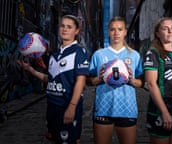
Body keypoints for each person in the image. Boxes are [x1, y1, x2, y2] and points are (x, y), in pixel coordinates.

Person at [17, 14, 89, 144]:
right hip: (52, 107)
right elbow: (49, 79)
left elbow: (81, 81)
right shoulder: (54, 55)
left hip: (67, 106)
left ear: (76, 31)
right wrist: (30, 70)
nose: (65, 29)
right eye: (62, 26)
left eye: (69, 27)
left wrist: (72, 108)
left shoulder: (79, 52)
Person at [89, 16, 143, 144]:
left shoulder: (134, 55)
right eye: (112, 29)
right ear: (108, 31)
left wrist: (131, 80)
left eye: (120, 29)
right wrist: (99, 78)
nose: (116, 33)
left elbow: (141, 83)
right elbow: (88, 81)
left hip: (127, 109)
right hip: (103, 108)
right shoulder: (99, 55)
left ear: (125, 31)